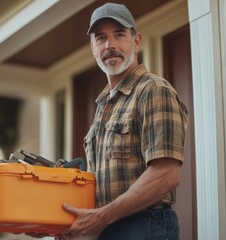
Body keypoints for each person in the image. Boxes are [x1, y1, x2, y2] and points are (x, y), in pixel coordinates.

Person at [61, 2, 189, 240]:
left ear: (136, 40)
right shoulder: (102, 107)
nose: (109, 45)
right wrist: (57, 224)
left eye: (119, 35)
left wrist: (102, 217)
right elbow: (99, 191)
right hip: (107, 230)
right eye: (101, 38)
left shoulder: (153, 90)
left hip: (145, 228)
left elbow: (166, 174)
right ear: (93, 48)